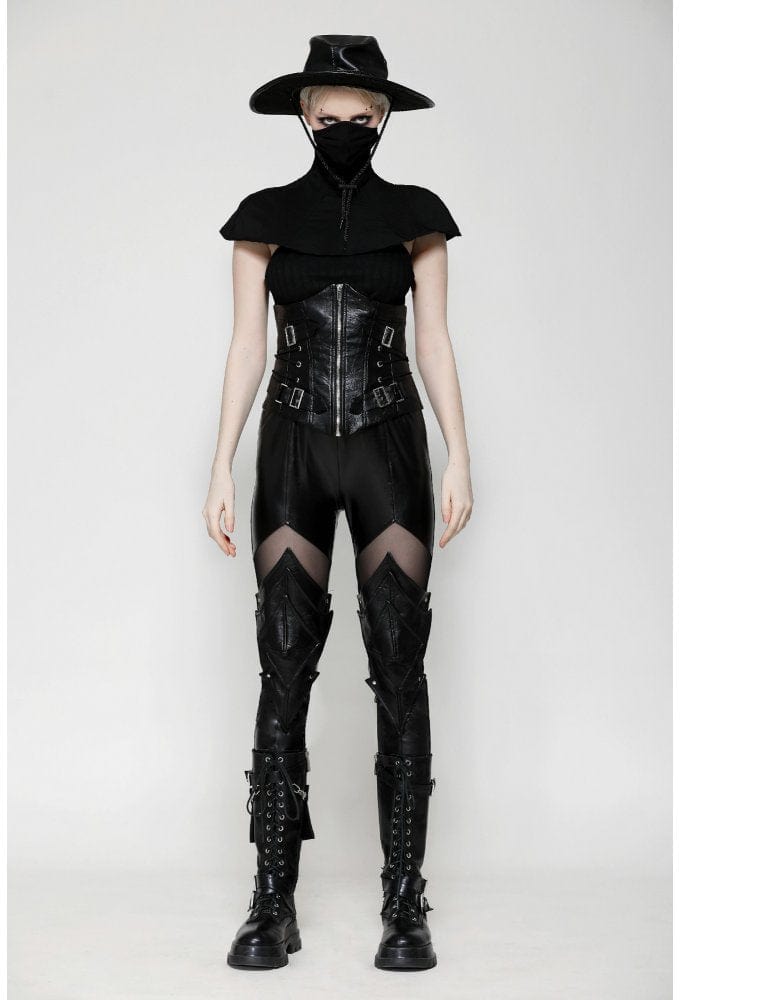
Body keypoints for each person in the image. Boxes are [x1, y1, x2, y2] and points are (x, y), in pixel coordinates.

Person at [203, 34, 473, 971]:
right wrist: (219, 464)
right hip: (293, 449)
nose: (346, 128)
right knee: (283, 666)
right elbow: (248, 345)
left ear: (384, 117)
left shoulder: (417, 216)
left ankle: (405, 903)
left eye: (363, 114)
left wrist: (461, 456)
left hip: (391, 449)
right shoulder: (265, 218)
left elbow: (433, 340)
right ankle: (271, 903)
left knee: (401, 664)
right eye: (329, 115)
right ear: (304, 116)